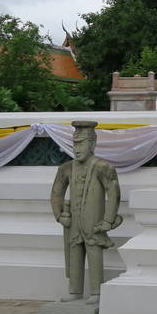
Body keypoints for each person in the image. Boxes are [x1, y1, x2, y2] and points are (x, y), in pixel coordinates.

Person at [50, 121, 121, 304]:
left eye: (81, 143)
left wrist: (108, 220)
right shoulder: (66, 168)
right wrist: (59, 215)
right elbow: (57, 192)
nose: (77, 148)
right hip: (72, 222)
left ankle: (96, 292)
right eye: (75, 144)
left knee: (94, 253)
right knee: (74, 254)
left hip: (94, 222)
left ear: (93, 144)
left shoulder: (102, 167)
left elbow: (113, 192)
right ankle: (75, 291)